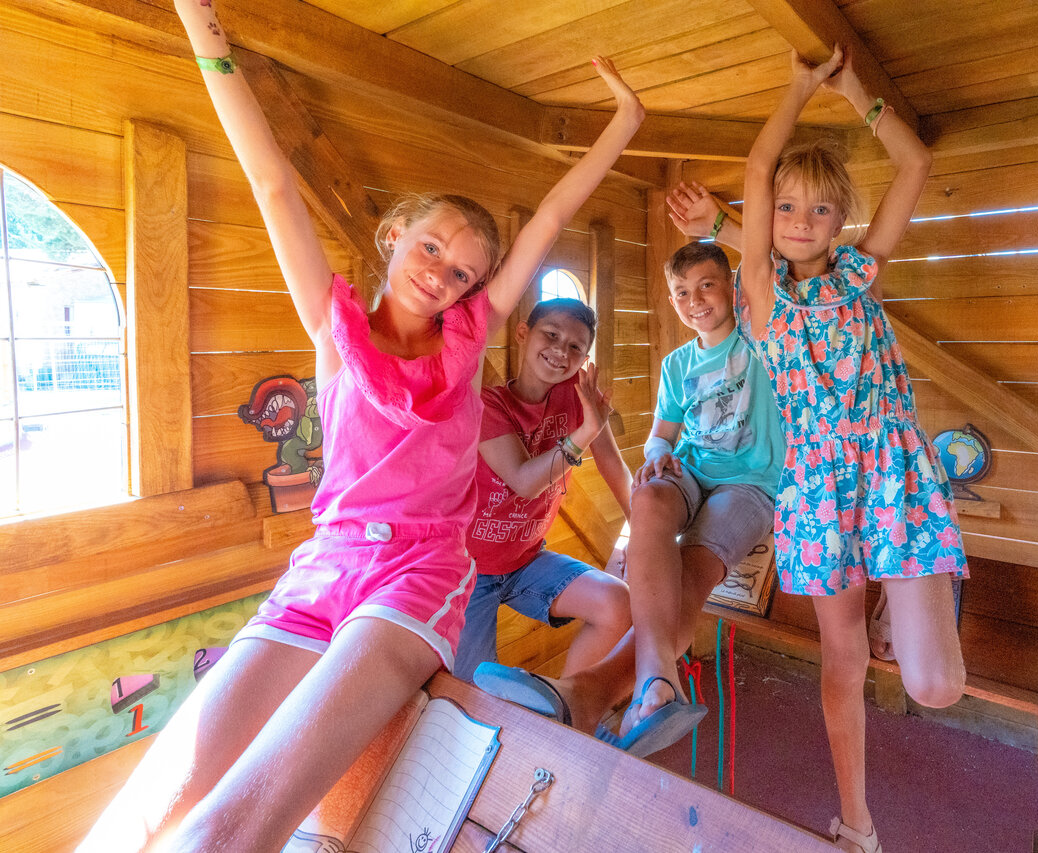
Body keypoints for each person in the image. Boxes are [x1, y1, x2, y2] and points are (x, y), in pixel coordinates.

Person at [78, 2, 644, 850]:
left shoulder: (469, 346)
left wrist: (624, 123)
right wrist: (206, 35)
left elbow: (554, 219)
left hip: (416, 575)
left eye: (462, 272)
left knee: (220, 833)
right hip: (324, 567)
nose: (442, 275)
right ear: (392, 236)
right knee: (141, 814)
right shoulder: (332, 328)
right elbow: (272, 180)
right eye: (430, 249)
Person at [732, 45, 968, 853]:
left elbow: (916, 159)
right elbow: (759, 169)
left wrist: (858, 90)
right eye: (788, 207)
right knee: (842, 662)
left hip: (895, 469)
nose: (799, 220)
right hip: (815, 489)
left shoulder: (863, 274)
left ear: (843, 220)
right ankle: (857, 823)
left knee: (937, 686)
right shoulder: (759, 294)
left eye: (822, 209)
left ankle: (910, 594)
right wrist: (797, 90)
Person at [472, 241, 785, 758]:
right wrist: (654, 467)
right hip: (684, 474)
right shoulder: (677, 363)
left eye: (707, 285)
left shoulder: (761, 339)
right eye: (681, 292)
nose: (695, 300)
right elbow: (660, 438)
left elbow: (763, 263)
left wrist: (717, 225)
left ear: (733, 288)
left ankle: (592, 695)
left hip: (748, 485)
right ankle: (640, 690)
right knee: (653, 499)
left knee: (689, 571)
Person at [453, 298, 632, 684]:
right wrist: (585, 433)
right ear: (523, 332)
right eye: (551, 334)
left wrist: (644, 530)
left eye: (575, 347)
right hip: (467, 572)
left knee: (619, 604)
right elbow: (523, 480)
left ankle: (566, 706)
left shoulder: (577, 396)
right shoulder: (489, 404)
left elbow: (613, 466)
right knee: (469, 688)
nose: (560, 351)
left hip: (527, 561)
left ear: (584, 357)